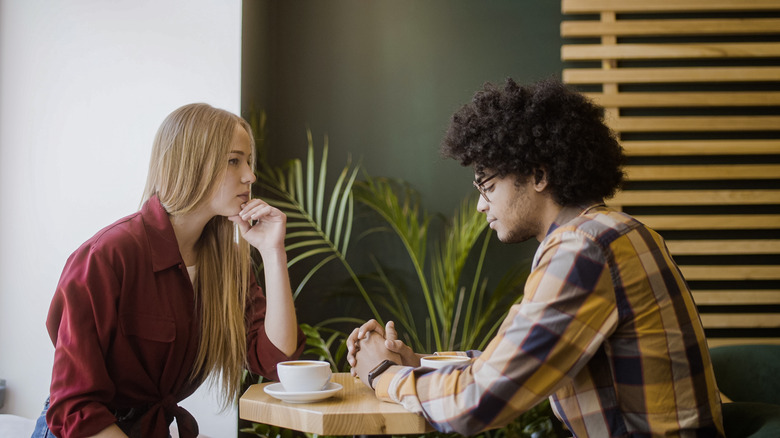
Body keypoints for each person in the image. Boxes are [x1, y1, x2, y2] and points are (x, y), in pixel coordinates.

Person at [347, 78, 725, 437]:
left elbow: (477, 403)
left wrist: (382, 373)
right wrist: (417, 364)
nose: (480, 205)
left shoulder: (584, 249)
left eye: (489, 186)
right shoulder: (619, 231)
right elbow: (519, 359)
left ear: (539, 175)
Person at [33, 103, 305, 438]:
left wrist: (273, 252)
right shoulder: (107, 255)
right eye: (235, 160)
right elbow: (75, 407)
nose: (250, 175)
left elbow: (276, 361)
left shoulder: (227, 265)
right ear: (192, 164)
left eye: (248, 161)